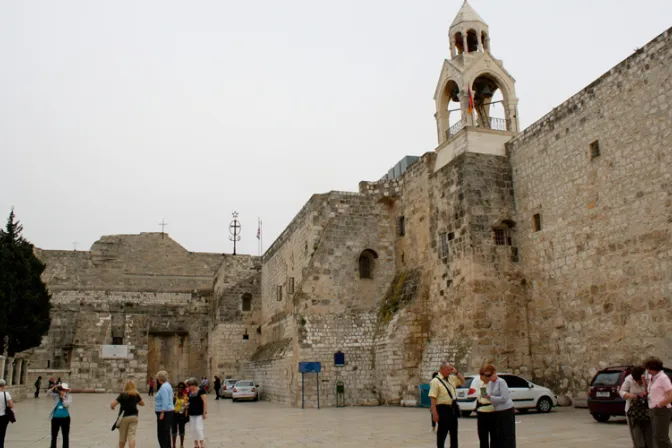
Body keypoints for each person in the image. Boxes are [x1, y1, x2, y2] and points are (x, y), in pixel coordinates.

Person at [429, 361, 465, 448]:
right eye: (448, 370)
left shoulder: (451, 378)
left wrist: (456, 372)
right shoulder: (435, 381)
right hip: (442, 408)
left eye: (450, 370)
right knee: (442, 432)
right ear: (441, 370)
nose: (449, 372)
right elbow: (433, 398)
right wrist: (434, 413)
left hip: (452, 408)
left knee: (454, 432)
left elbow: (463, 381)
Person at [483, 365, 516, 448]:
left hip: (506, 409)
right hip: (497, 410)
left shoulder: (501, 382)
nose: (488, 377)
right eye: (486, 376)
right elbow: (489, 396)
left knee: (508, 434)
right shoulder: (490, 383)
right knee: (499, 434)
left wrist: (491, 397)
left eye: (489, 375)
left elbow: (504, 398)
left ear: (494, 373)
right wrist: (487, 397)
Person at [620, 366, 653, 448]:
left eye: (640, 380)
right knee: (637, 438)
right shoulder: (629, 379)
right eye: (637, 381)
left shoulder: (649, 378)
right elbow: (622, 392)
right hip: (633, 412)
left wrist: (645, 388)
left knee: (650, 438)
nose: (639, 383)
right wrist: (631, 396)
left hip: (648, 411)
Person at [644, 356, 672, 448]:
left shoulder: (663, 378)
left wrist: (660, 404)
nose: (647, 371)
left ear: (653, 368)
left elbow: (671, 394)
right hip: (653, 410)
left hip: (661, 410)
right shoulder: (654, 378)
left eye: (648, 369)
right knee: (656, 437)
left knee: (661, 438)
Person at [111, 380, 145, 448]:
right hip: (133, 417)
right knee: (131, 436)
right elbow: (142, 403)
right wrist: (135, 401)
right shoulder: (136, 394)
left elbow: (113, 404)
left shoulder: (122, 395)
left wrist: (112, 407)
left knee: (122, 438)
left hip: (123, 417)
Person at [476, 366, 497, 448]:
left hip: (491, 412)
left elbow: (490, 398)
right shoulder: (481, 384)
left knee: (494, 438)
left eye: (483, 374)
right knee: (482, 438)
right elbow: (482, 396)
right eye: (481, 374)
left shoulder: (493, 384)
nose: (481, 376)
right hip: (481, 412)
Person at [48, 382, 72, 448]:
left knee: (65, 435)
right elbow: (48, 392)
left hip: (65, 418)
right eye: (61, 389)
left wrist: (63, 397)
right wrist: (55, 386)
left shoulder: (69, 396)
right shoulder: (56, 396)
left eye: (64, 389)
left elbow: (66, 404)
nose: (63, 391)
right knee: (54, 435)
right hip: (55, 418)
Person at [155, 371, 174, 448]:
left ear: (159, 378)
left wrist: (162, 412)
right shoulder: (167, 385)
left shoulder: (163, 387)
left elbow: (165, 400)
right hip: (168, 411)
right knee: (166, 432)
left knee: (162, 433)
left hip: (164, 412)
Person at [186, 377, 207, 448]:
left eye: (190, 385)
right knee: (193, 429)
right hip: (191, 413)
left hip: (199, 413)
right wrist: (186, 405)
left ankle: (202, 444)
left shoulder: (201, 391)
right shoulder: (190, 392)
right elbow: (190, 402)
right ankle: (196, 444)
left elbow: (204, 402)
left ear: (194, 385)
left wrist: (204, 413)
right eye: (189, 386)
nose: (189, 387)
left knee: (198, 428)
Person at [172, 382, 189, 448]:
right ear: (177, 388)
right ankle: (174, 445)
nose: (180, 389)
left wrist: (186, 406)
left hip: (182, 415)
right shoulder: (174, 396)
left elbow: (187, 405)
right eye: (179, 387)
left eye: (182, 387)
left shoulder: (185, 397)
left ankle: (182, 444)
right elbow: (171, 405)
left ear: (184, 388)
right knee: (174, 430)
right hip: (174, 415)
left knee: (182, 430)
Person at [0, 379, 14, 448]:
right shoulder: (6, 394)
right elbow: (11, 405)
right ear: (4, 386)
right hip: (3, 417)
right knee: (2, 434)